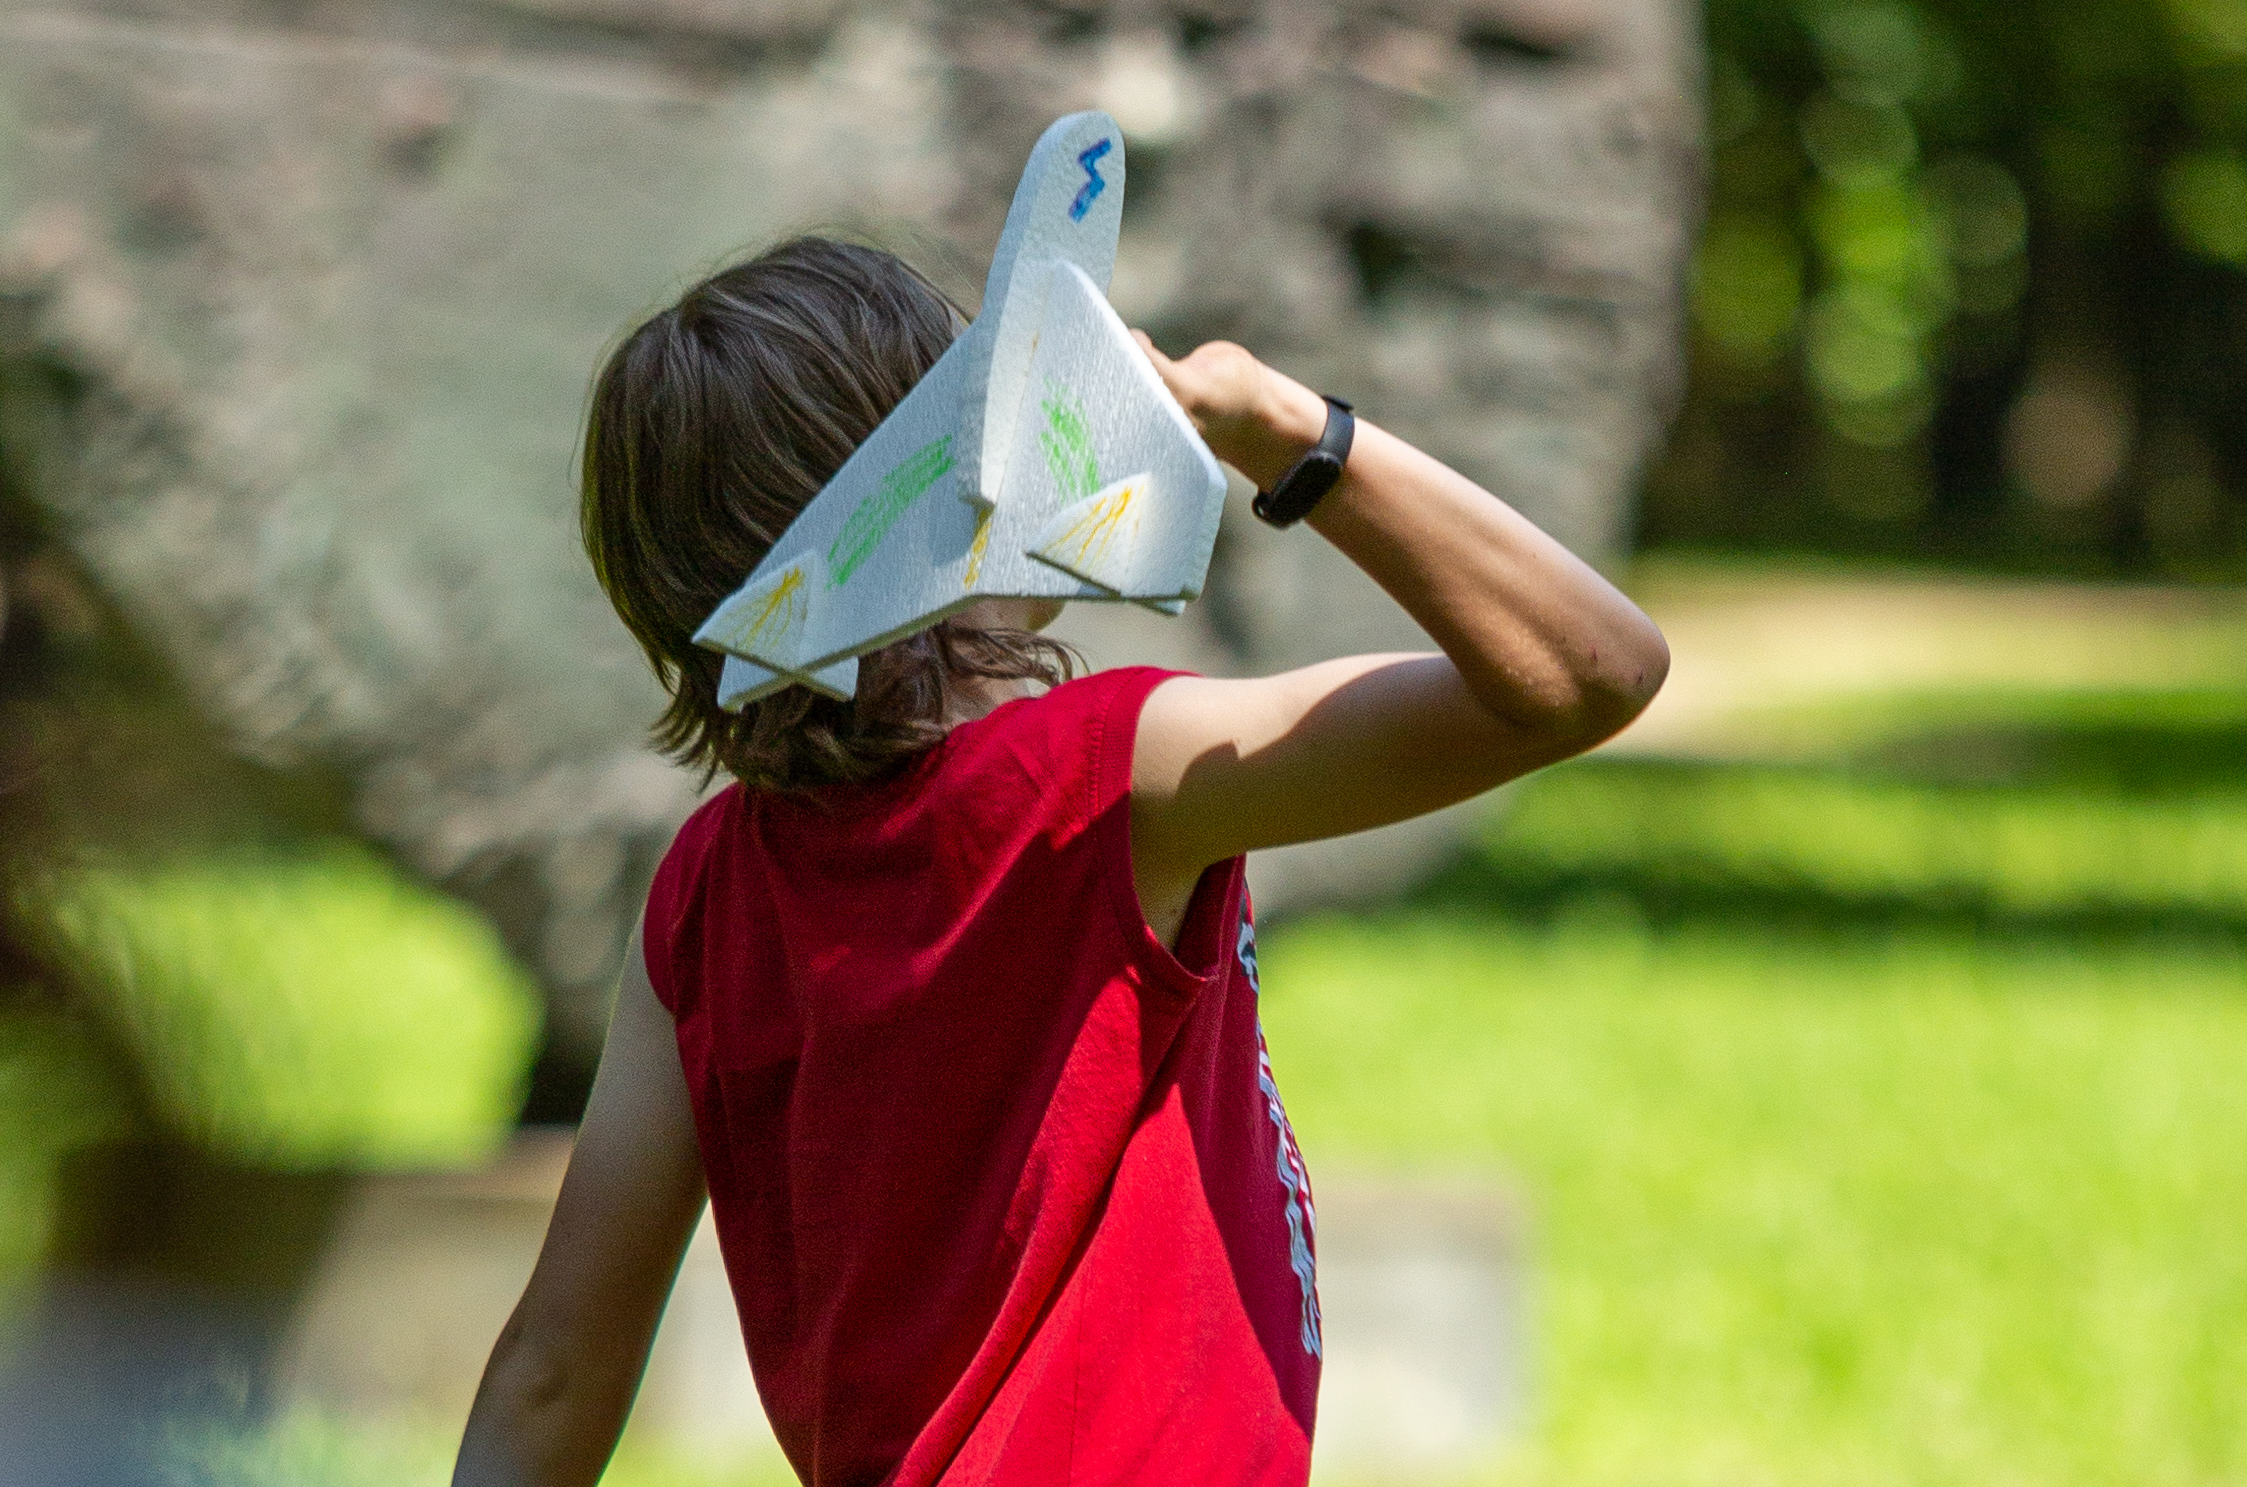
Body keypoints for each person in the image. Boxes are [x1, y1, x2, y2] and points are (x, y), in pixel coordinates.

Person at [451, 237, 1667, 1486]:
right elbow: (1590, 672)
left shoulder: (706, 893)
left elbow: (555, 1367)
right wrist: (1284, 427)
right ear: (945, 487)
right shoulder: (1110, 780)